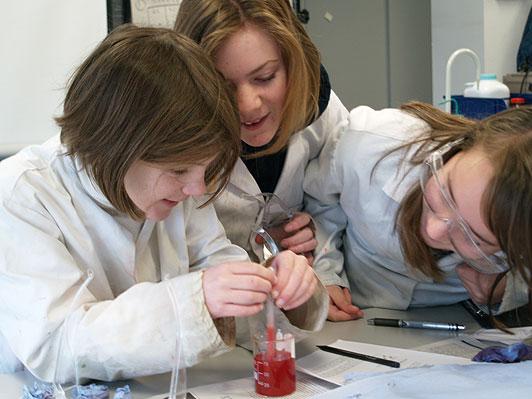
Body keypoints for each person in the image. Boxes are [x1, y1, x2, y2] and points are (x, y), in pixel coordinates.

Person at [0, 25, 326, 382]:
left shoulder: (179, 191)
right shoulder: (23, 194)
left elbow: (223, 283)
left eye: (206, 168)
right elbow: (57, 346)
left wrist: (286, 290)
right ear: (115, 147)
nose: (197, 188)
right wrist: (192, 301)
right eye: (179, 169)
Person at [304, 102, 532, 322]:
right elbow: (319, 202)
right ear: (463, 146)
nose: (433, 231)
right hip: (348, 311)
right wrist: (326, 272)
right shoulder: (372, 144)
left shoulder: (520, 235)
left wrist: (508, 287)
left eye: (473, 238)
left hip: (449, 325)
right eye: (446, 193)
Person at [174, 0, 351, 266]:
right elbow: (177, 255)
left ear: (293, 63)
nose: (248, 106)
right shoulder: (172, 142)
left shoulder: (319, 111)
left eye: (265, 76)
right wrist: (259, 248)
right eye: (223, 86)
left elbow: (337, 206)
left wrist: (320, 256)